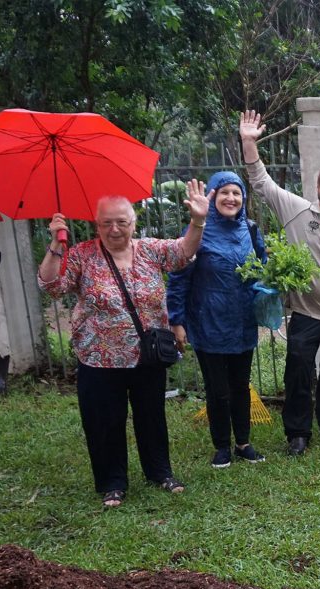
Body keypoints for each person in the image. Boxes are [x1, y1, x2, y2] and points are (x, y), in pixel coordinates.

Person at [38, 187, 207, 508]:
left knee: (151, 416)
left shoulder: (149, 250)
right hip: (99, 357)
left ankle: (160, 472)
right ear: (96, 225)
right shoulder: (82, 255)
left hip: (147, 354)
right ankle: (112, 482)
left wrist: (197, 221)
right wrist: (55, 244)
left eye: (121, 222)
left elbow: (183, 252)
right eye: (106, 224)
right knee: (105, 421)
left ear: (132, 222)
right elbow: (51, 285)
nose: (114, 230)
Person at [239, 110, 320, 457]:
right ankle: (298, 433)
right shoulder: (295, 210)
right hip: (306, 313)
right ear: (317, 187)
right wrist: (249, 142)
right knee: (298, 371)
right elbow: (261, 182)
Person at [167, 171, 267, 469]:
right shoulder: (197, 232)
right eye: (224, 192)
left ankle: (243, 443)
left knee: (240, 385)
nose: (231, 198)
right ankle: (221, 446)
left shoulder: (249, 230)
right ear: (211, 196)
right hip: (208, 322)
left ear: (243, 199)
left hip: (242, 321)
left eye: (236, 193)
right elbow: (178, 278)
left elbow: (260, 266)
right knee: (217, 389)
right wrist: (177, 320)